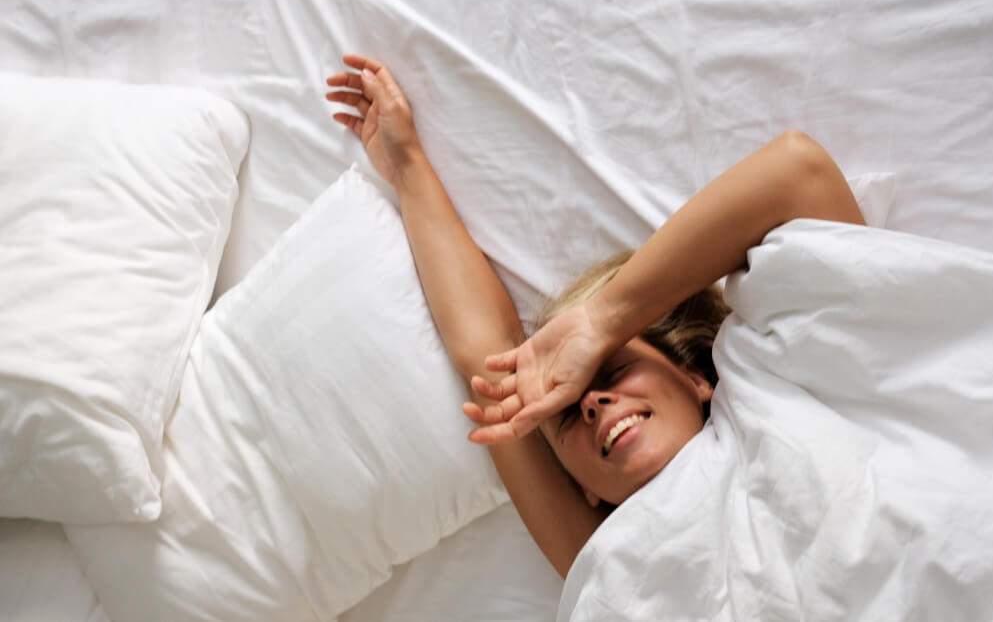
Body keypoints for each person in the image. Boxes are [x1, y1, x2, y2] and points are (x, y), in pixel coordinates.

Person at [326, 54, 865, 578]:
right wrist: (406, 166)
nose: (593, 404)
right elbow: (489, 366)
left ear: (698, 379)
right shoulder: (609, 568)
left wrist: (599, 324)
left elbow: (798, 174)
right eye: (562, 416)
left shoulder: (801, 397)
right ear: (586, 491)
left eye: (612, 371)